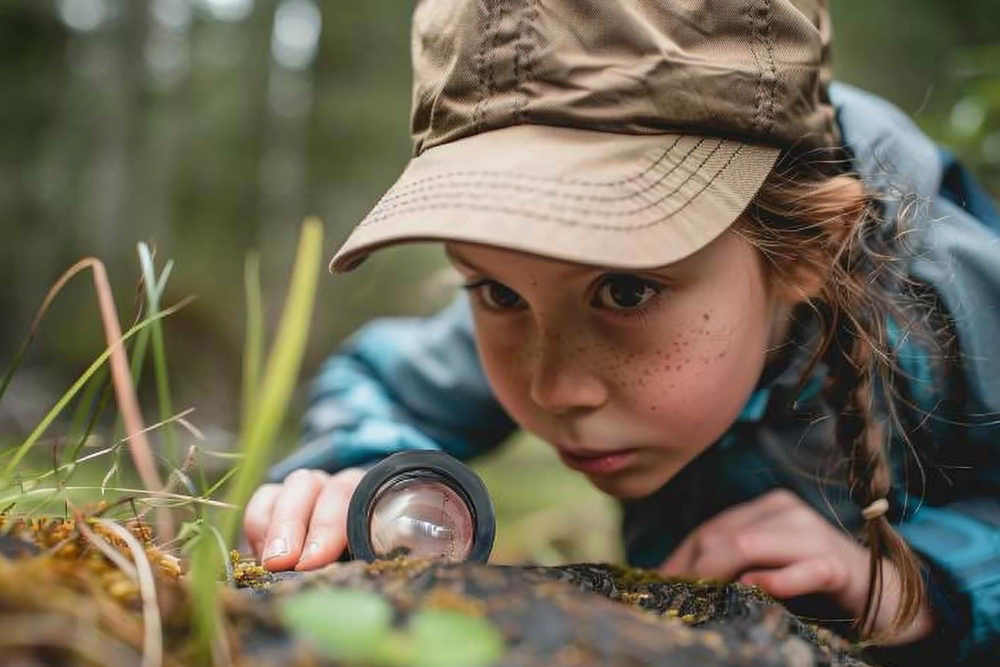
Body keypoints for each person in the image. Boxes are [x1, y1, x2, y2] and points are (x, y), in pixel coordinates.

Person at [242, 0, 1000, 664]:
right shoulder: (547, 303)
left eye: (627, 289)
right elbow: (379, 380)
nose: (555, 385)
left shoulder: (951, 302)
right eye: (496, 289)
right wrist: (370, 477)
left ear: (803, 252)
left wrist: (921, 584)